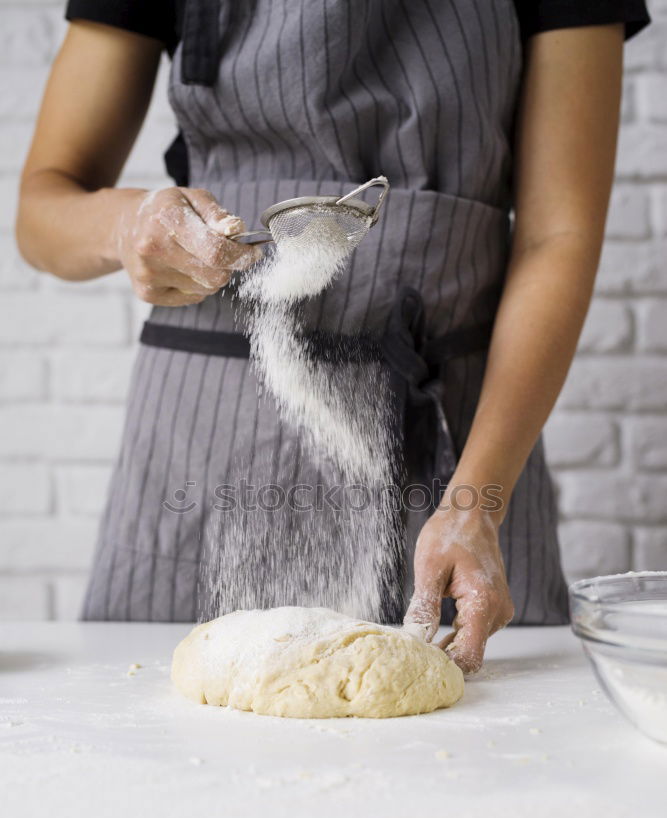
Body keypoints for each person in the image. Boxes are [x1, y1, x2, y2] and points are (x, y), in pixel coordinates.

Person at [16, 1, 650, 673]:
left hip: (461, 448)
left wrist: (477, 503)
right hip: (202, 429)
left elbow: (557, 238)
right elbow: (41, 210)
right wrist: (123, 226)